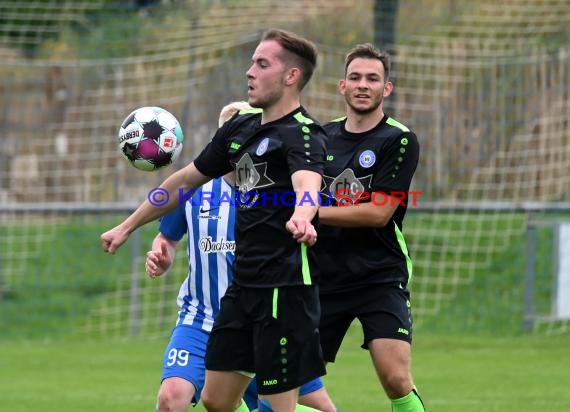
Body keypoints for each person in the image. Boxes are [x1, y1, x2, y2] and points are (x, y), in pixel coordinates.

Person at [101, 28, 328, 412]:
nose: (249, 72)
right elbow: (184, 180)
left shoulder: (303, 134)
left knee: (278, 407)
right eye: (252, 62)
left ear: (291, 77)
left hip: (282, 291)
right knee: (216, 400)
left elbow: (308, 183)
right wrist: (128, 225)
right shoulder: (240, 131)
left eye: (262, 63)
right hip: (241, 291)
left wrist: (304, 216)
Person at [147, 101, 337, 412]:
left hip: (265, 316)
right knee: (171, 398)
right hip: (201, 319)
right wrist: (161, 254)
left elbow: (310, 207)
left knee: (316, 407)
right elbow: (167, 237)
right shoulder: (195, 190)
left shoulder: (277, 192)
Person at [315, 43, 426, 412]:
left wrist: (310, 213)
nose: (364, 85)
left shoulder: (398, 139)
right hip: (322, 276)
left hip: (378, 274)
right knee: (284, 381)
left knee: (395, 379)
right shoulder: (319, 136)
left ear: (386, 88)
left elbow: (379, 213)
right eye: (356, 77)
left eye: (373, 79)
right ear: (342, 86)